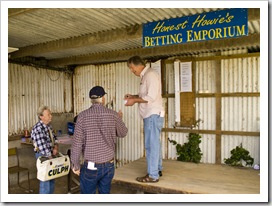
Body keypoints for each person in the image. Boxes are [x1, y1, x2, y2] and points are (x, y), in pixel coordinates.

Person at [71, 86, 128, 194]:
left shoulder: (82, 116)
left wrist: (75, 165)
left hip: (91, 165)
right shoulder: (113, 115)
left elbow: (77, 143)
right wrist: (118, 120)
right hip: (109, 165)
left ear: (91, 100)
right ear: (102, 98)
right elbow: (123, 133)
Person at [125, 55, 164, 183]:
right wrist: (133, 96)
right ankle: (157, 169)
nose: (132, 71)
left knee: (151, 146)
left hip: (152, 115)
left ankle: (152, 175)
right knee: (154, 144)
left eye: (131, 68)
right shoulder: (146, 76)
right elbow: (145, 95)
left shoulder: (150, 75)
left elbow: (151, 97)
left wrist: (134, 101)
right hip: (151, 115)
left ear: (137, 65)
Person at [31, 106, 59, 194]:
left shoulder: (48, 127)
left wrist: (55, 147)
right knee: (45, 181)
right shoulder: (38, 128)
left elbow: (55, 138)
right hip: (43, 156)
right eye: (48, 114)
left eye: (50, 114)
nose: (51, 116)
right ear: (41, 116)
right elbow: (42, 147)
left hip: (50, 155)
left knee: (51, 179)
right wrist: (51, 157)